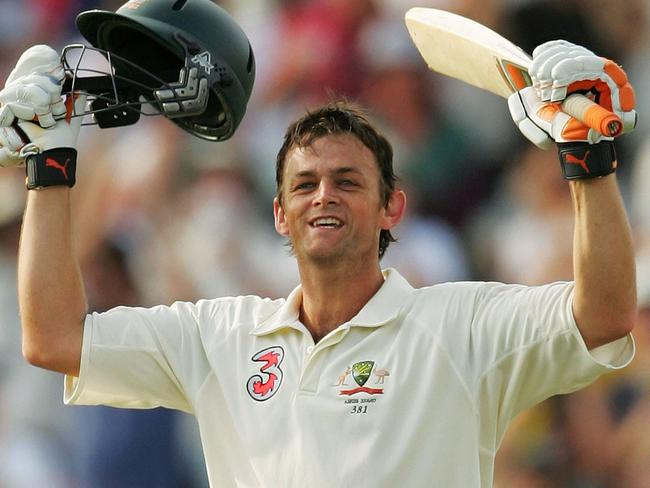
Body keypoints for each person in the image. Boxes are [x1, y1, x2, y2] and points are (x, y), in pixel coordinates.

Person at [0, 35, 638, 487]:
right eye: (304, 185)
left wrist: (587, 163)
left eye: (347, 182)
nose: (323, 195)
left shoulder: (460, 325)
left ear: (393, 207)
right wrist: (49, 168)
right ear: (280, 214)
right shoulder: (220, 336)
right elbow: (54, 337)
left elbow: (605, 315)